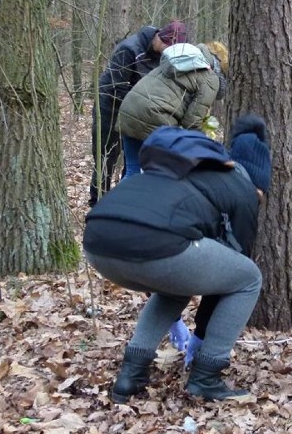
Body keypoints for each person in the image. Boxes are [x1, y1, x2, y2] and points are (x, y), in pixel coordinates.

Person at [83, 115, 272, 403]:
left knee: (175, 285)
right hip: (155, 243)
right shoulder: (244, 189)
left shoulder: (183, 170)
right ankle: (206, 377)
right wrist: (203, 338)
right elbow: (229, 278)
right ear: (258, 179)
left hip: (98, 241)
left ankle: (130, 376)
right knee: (249, 278)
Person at [88, 20, 187, 207]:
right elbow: (114, 86)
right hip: (110, 108)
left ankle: (125, 202)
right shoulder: (129, 49)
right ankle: (98, 202)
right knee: (105, 159)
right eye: (167, 47)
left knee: (133, 161)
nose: (167, 52)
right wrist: (140, 101)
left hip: (137, 114)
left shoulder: (163, 57)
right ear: (159, 38)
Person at [117, 41, 229, 178]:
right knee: (160, 175)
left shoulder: (180, 59)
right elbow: (192, 122)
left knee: (132, 170)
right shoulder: (209, 77)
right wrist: (202, 146)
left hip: (130, 107)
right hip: (155, 117)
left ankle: (116, 199)